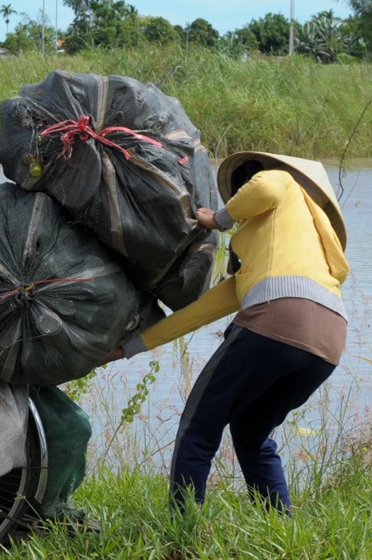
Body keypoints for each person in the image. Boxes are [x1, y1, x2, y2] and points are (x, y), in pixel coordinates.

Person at [112, 153, 350, 511]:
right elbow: (194, 315)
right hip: (330, 339)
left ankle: (183, 527)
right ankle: (277, 525)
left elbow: (268, 185)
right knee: (252, 432)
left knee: (199, 424)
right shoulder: (295, 253)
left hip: (278, 317)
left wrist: (217, 219)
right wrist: (127, 347)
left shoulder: (284, 183)